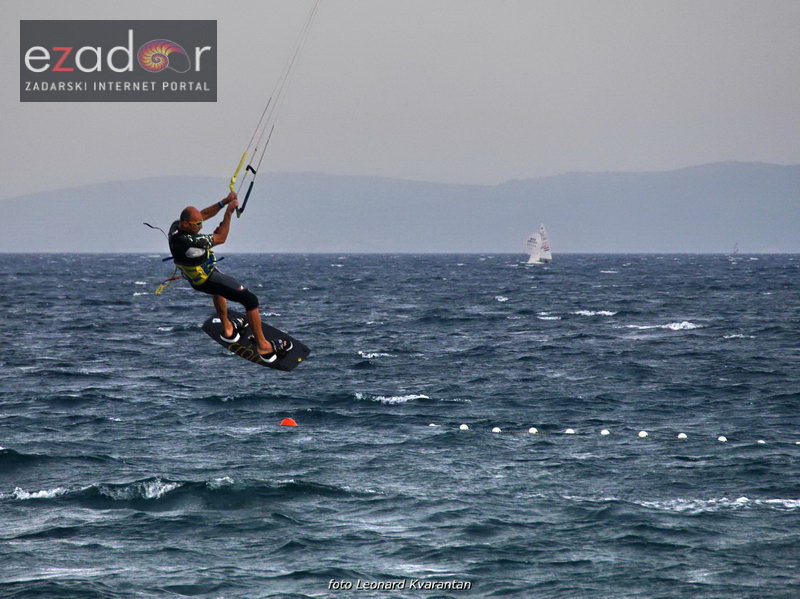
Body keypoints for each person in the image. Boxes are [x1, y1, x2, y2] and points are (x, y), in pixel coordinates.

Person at [168, 191, 291, 363]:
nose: (201, 226)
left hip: (201, 276)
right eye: (196, 224)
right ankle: (263, 346)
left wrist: (223, 202)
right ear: (186, 224)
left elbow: (203, 214)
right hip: (207, 279)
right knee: (250, 300)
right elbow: (222, 238)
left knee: (219, 292)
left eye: (200, 223)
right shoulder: (186, 241)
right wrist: (229, 212)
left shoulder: (176, 227)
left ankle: (228, 329)